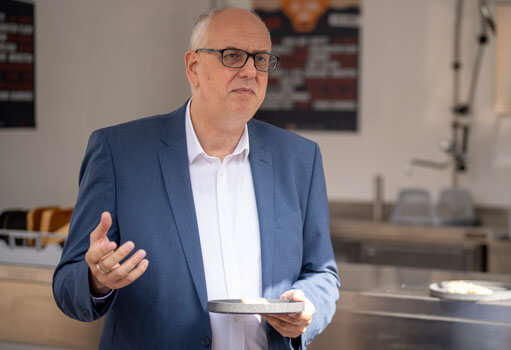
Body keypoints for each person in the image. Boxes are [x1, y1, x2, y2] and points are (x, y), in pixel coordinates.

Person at [52, 7, 340, 349]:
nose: (250, 71)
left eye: (261, 58)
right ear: (193, 67)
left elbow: (323, 273)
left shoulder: (299, 158)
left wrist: (308, 305)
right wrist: (96, 280)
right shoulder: (119, 153)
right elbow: (67, 285)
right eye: (232, 56)